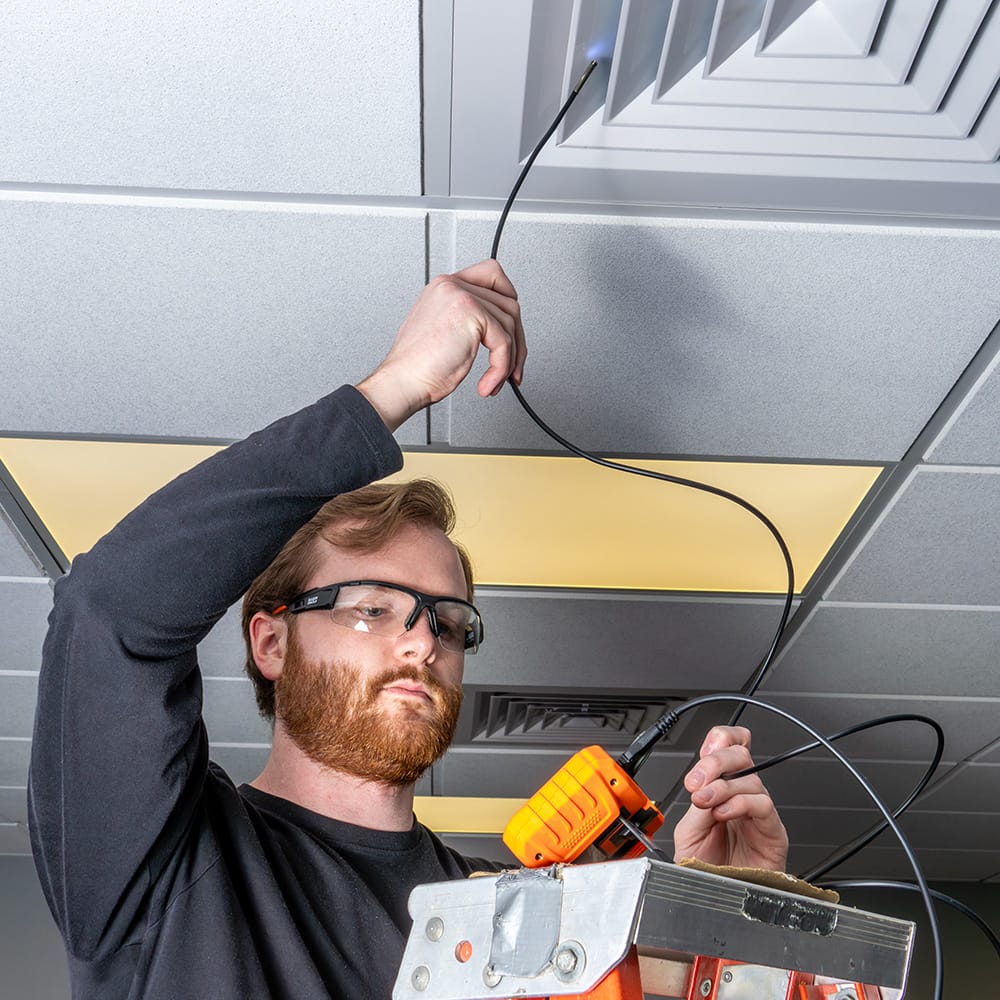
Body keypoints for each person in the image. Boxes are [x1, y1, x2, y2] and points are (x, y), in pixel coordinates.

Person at [29, 260, 788, 1000]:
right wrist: (390, 390)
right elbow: (108, 609)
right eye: (372, 607)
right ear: (272, 642)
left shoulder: (506, 917)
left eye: (448, 622)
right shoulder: (166, 856)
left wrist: (736, 925)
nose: (425, 643)